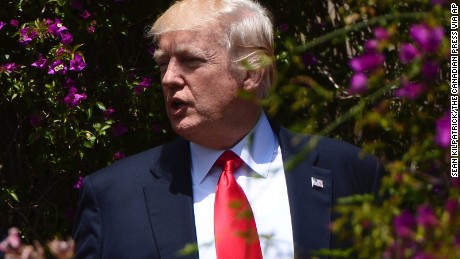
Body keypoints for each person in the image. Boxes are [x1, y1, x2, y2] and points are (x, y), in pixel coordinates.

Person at [72, 0, 384, 258]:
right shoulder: (113, 197)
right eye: (162, 63)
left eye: (190, 60)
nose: (168, 78)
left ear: (252, 73)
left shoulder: (350, 173)